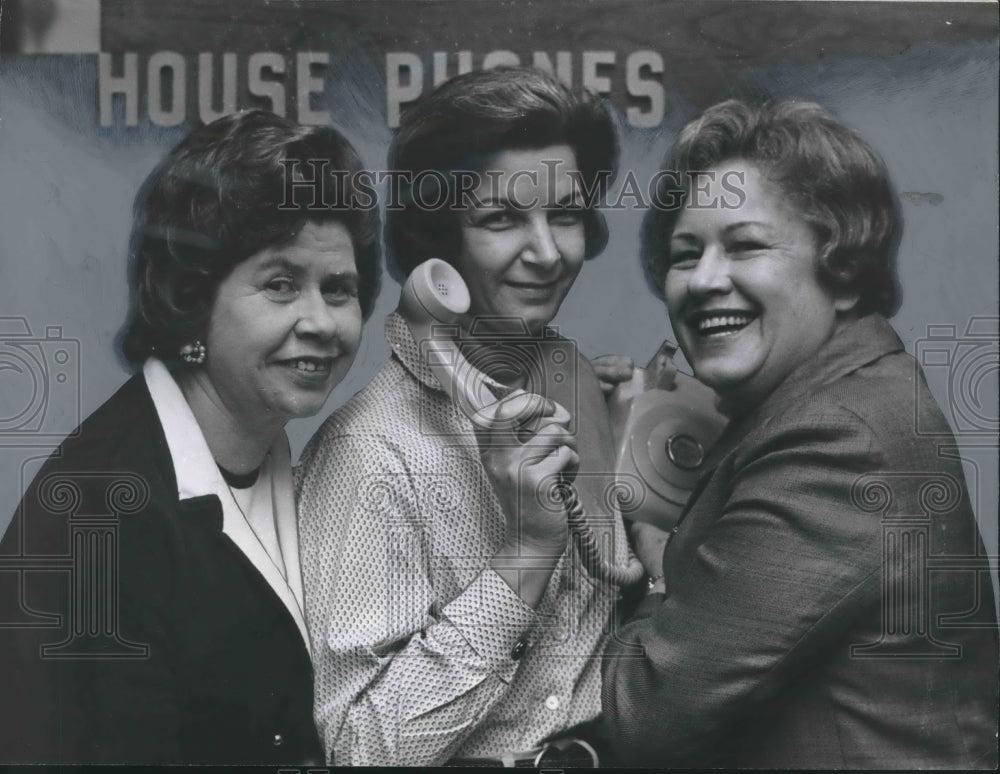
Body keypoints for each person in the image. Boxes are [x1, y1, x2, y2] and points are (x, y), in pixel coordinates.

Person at [601, 99, 999, 768]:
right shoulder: (838, 396)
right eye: (684, 254)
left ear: (843, 272)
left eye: (746, 245)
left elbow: (647, 713)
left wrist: (649, 546)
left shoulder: (837, 439)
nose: (703, 281)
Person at [0, 110, 380, 764]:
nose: (321, 322)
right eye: (281, 285)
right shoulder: (99, 516)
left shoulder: (278, 458)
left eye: (338, 289)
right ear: (193, 296)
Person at [297, 67, 635, 767]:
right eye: (501, 219)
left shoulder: (577, 389)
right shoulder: (370, 452)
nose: (547, 253)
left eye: (566, 215)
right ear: (438, 247)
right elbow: (358, 752)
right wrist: (527, 553)